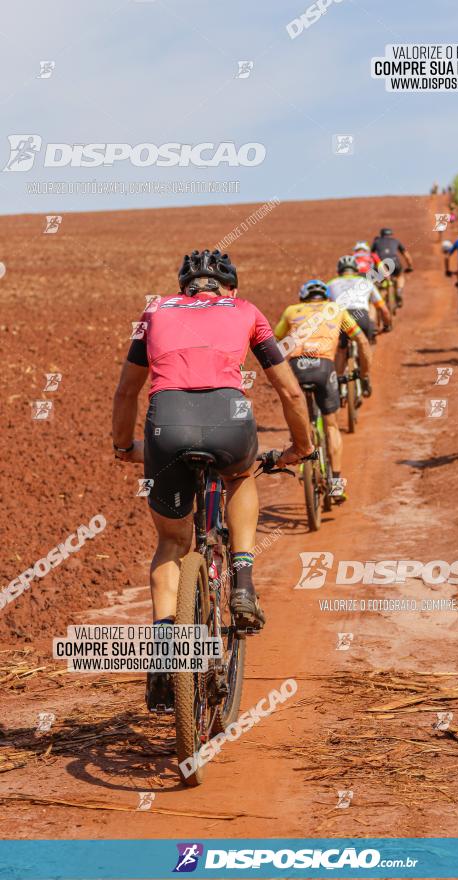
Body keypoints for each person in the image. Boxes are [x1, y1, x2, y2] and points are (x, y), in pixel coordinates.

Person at [112, 249, 313, 711]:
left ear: (185, 289)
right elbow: (289, 390)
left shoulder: (156, 310)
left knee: (170, 544)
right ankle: (242, 580)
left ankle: (164, 654)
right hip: (230, 417)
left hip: (167, 422)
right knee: (241, 476)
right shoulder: (247, 311)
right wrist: (299, 448)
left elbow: (126, 390)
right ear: (231, 289)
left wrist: (123, 446)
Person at [273, 279, 371, 501]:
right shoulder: (336, 309)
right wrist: (364, 375)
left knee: (301, 418)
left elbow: (274, 345)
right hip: (324, 367)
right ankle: (336, 484)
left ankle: (300, 448)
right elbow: (362, 342)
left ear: (303, 298)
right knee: (332, 426)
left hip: (296, 367)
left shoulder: (291, 310)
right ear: (326, 297)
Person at [326, 255, 391, 358]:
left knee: (341, 349)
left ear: (338, 271)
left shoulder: (330, 284)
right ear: (356, 270)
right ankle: (365, 373)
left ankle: (340, 373)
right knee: (366, 345)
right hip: (362, 317)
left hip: (341, 319)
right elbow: (384, 310)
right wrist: (387, 325)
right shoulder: (366, 282)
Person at [370, 227, 414, 307]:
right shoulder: (396, 241)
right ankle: (399, 290)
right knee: (400, 276)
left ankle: (382, 296)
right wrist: (410, 266)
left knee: (381, 281)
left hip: (382, 264)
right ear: (391, 235)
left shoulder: (376, 242)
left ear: (381, 235)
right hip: (395, 263)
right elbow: (407, 256)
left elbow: (371, 255)